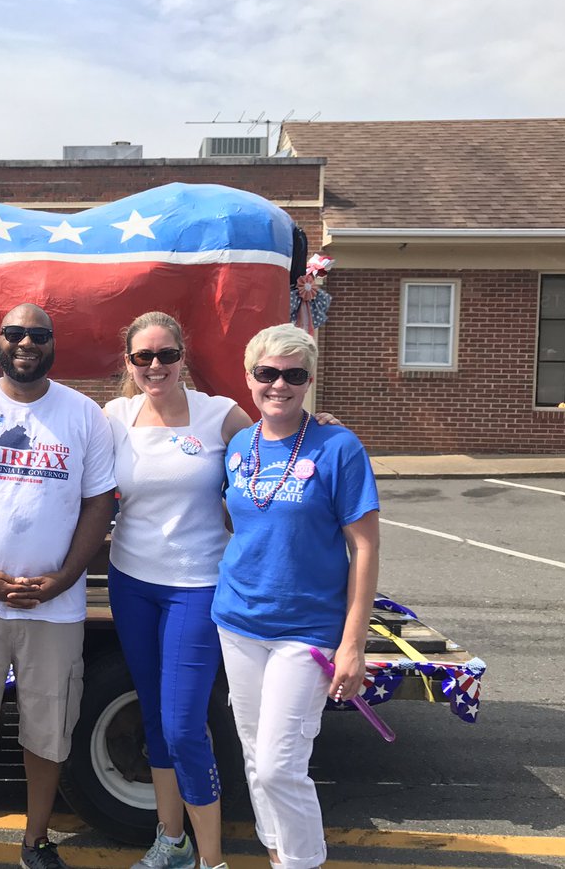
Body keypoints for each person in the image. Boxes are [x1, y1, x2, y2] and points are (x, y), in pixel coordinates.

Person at [0, 303, 116, 869]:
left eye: (38, 334)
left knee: (49, 727)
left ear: (53, 343)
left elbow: (98, 502)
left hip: (54, 608)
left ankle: (36, 841)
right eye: (15, 333)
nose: (26, 342)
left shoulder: (84, 415)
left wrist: (62, 579)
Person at [211, 323, 380, 869]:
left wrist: (352, 645)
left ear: (309, 381)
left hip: (306, 629)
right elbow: (238, 521)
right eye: (267, 373)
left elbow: (366, 550)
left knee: (283, 764)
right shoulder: (240, 445)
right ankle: (277, 854)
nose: (278, 384)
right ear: (249, 377)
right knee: (256, 760)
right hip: (238, 620)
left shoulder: (339, 447)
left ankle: (303, 862)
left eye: (293, 374)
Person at [103, 312, 241, 869]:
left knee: (184, 725)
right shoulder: (114, 416)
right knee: (156, 717)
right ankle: (171, 842)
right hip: (131, 581)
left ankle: (212, 861)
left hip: (197, 586)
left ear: (184, 356)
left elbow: (279, 448)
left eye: (165, 355)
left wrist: (320, 430)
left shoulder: (219, 413)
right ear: (129, 363)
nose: (154, 366)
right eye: (142, 358)